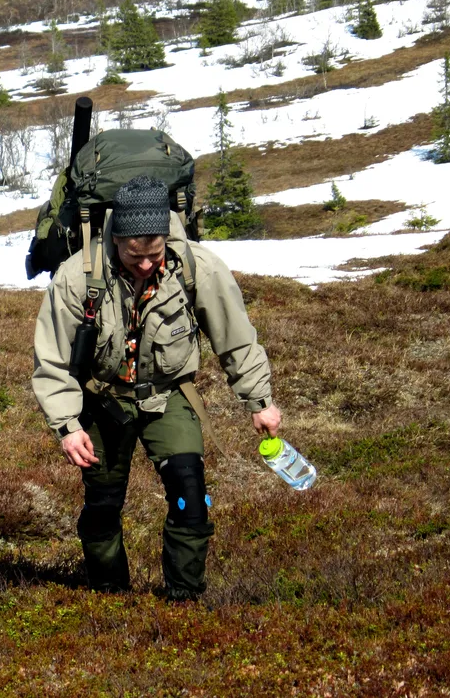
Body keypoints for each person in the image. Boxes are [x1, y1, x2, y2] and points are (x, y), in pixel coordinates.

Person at [32, 175, 281, 601]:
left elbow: (235, 335)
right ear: (116, 241)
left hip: (168, 396)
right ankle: (109, 596)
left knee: (191, 496)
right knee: (103, 504)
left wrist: (260, 400)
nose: (146, 264)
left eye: (154, 254)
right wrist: (68, 425)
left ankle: (183, 600)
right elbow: (51, 356)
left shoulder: (198, 267)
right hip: (104, 399)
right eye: (134, 255)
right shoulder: (77, 277)